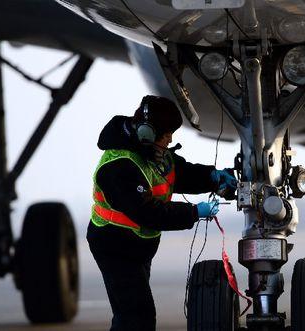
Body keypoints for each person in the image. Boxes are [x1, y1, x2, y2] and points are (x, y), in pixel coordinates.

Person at [87, 95, 237, 331]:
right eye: (167, 134)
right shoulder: (118, 166)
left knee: (135, 314)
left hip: (137, 246)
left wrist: (212, 177)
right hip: (115, 246)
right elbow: (148, 213)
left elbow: (180, 173)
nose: (170, 140)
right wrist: (194, 212)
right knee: (136, 317)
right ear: (147, 133)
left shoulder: (151, 151)